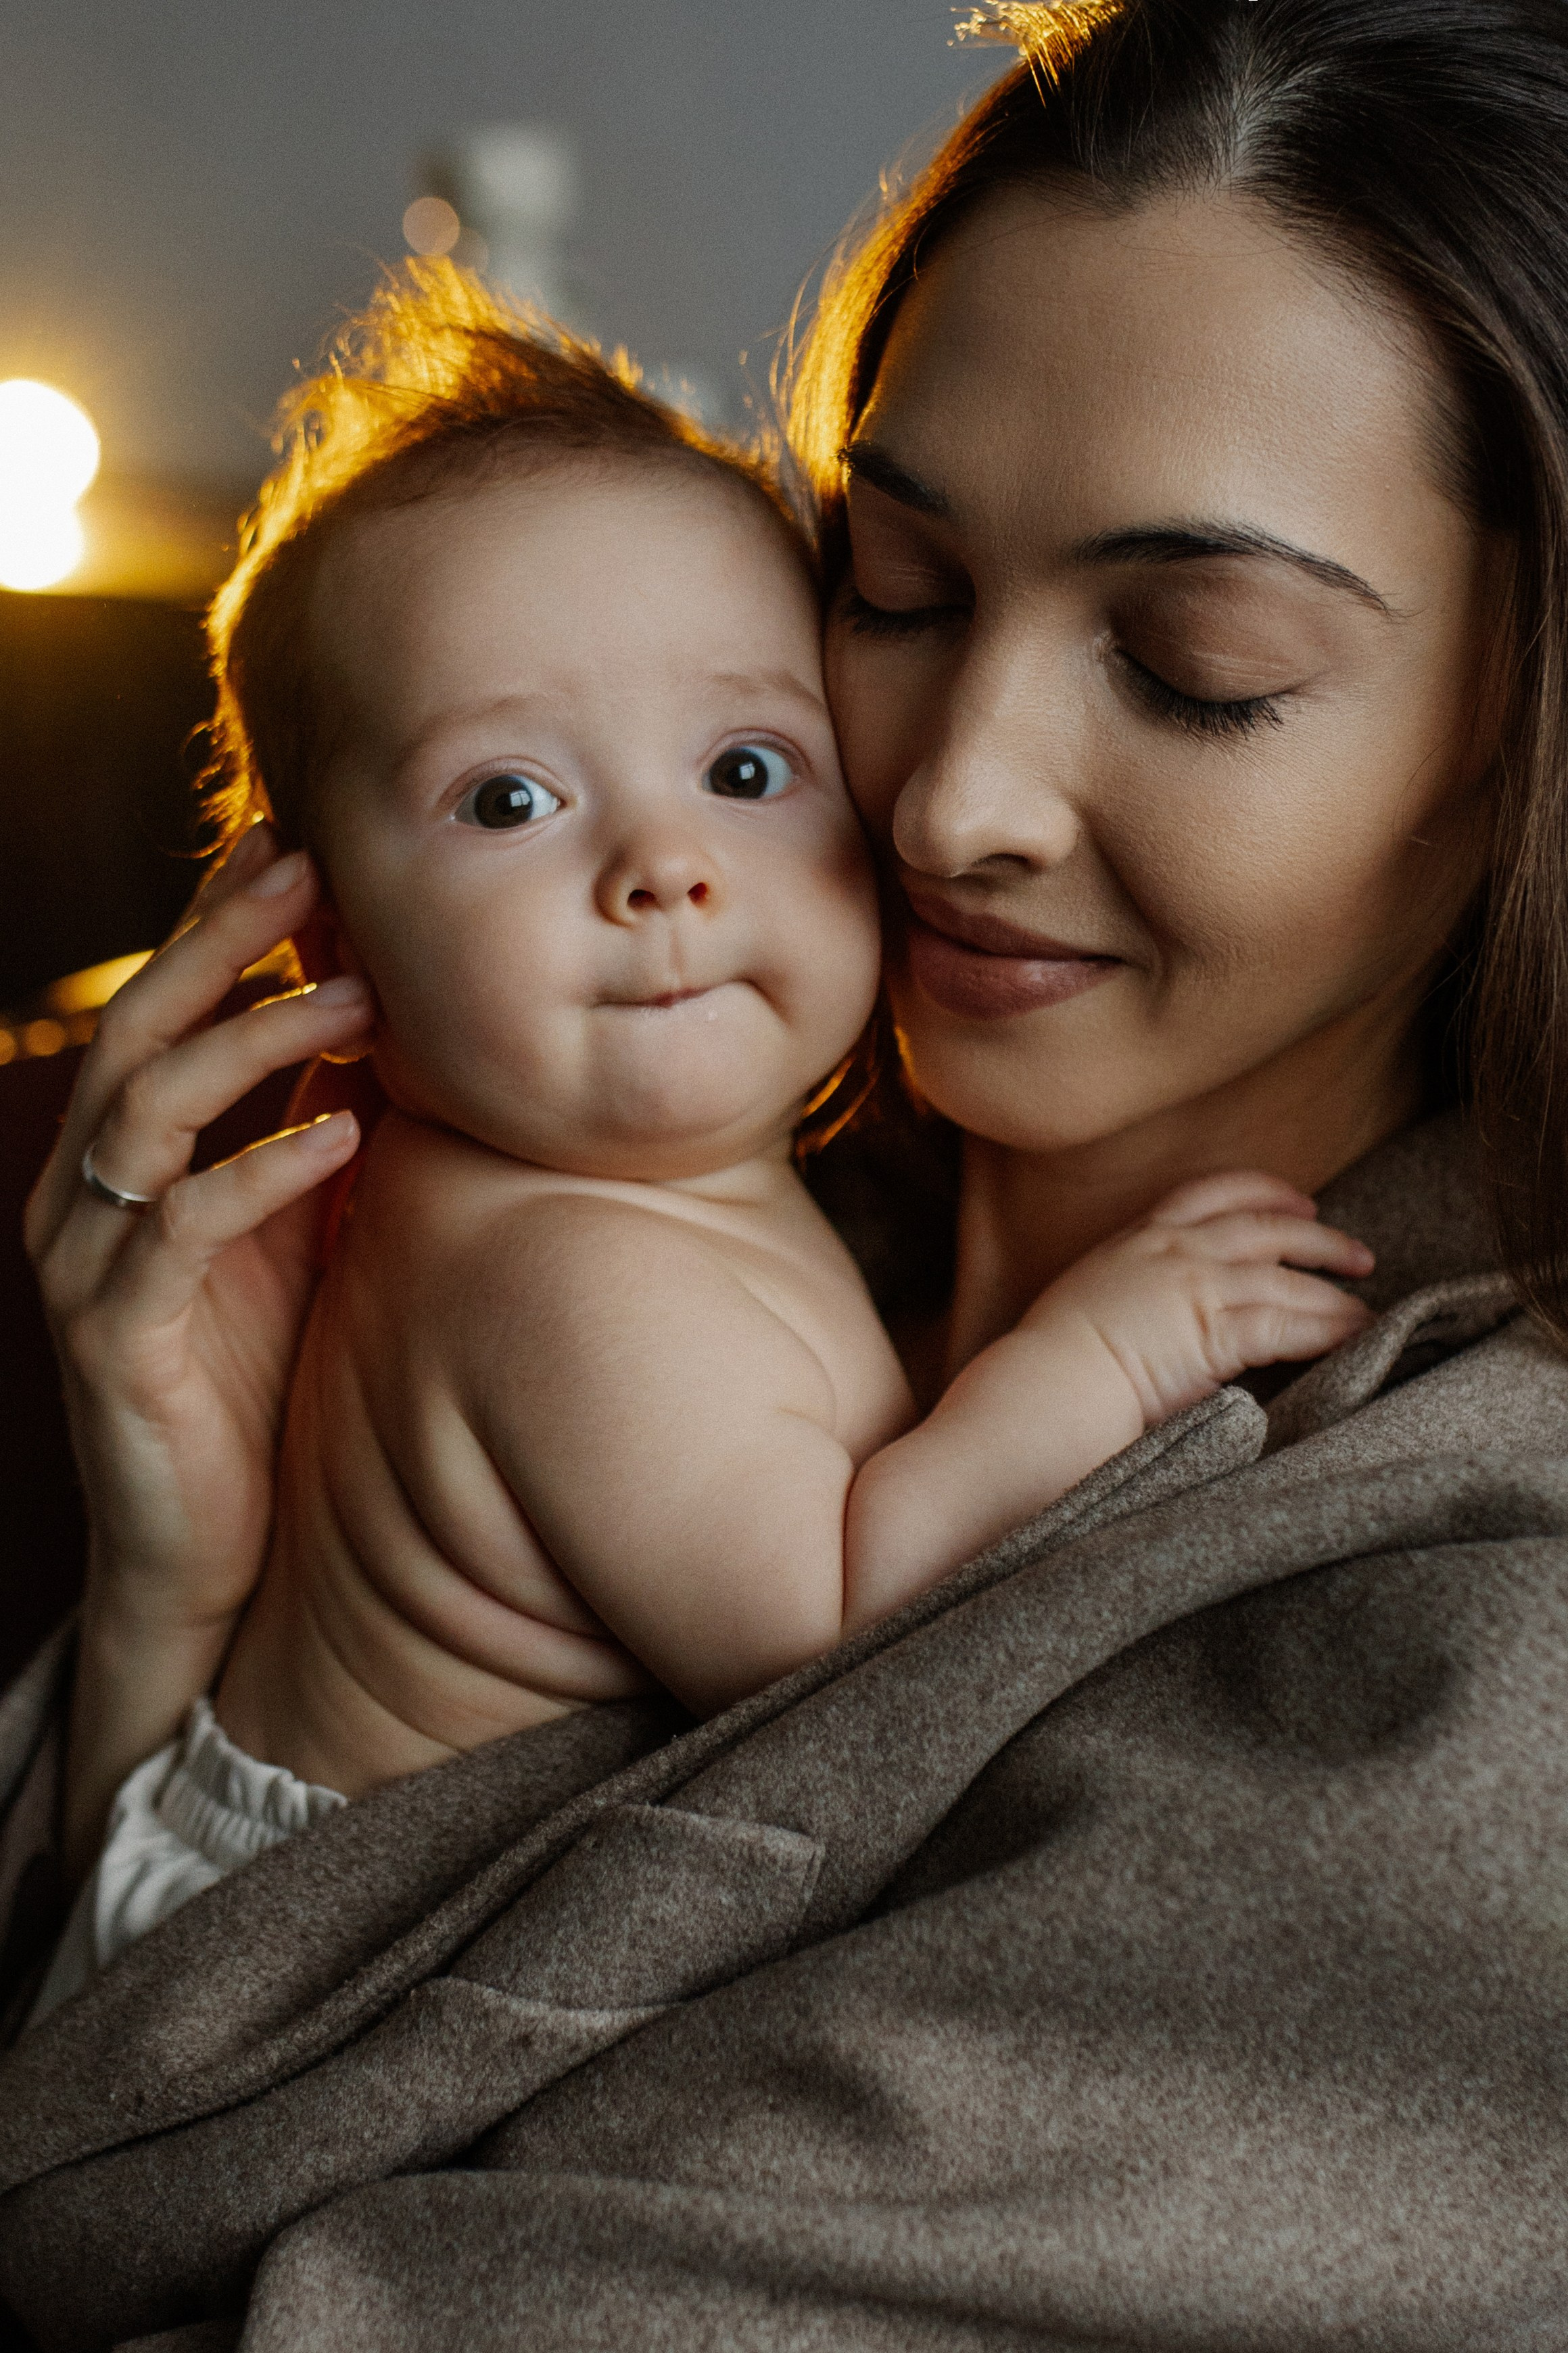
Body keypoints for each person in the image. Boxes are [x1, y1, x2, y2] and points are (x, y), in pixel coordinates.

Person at [3, 1, 1568, 2344]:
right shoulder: (649, 1182)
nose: (949, 800)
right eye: (900, 589)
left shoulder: (1479, 1666)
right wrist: (166, 1585)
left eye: (1199, 662)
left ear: (1524, 726)